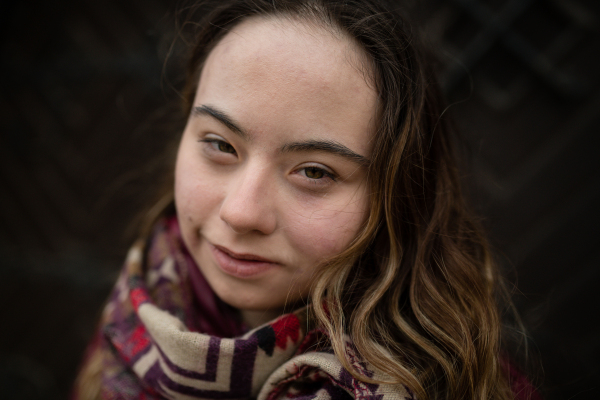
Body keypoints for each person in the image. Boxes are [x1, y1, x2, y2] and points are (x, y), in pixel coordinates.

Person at [72, 0, 540, 399]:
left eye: (315, 171)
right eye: (220, 144)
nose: (241, 213)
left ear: (397, 197)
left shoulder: (454, 383)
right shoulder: (138, 309)